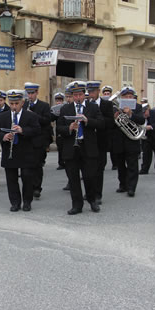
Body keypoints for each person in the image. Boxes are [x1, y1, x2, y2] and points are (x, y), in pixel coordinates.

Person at [57, 81, 104, 215]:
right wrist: (69, 128)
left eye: (80, 95)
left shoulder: (93, 107)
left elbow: (101, 123)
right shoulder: (66, 109)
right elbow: (59, 127)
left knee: (90, 177)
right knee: (73, 179)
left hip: (88, 147)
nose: (77, 98)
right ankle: (77, 205)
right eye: (75, 95)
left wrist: (87, 120)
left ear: (84, 95)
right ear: (72, 96)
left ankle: (92, 200)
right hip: (71, 148)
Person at [0, 89, 41, 212]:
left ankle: (27, 201)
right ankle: (15, 202)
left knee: (27, 178)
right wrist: (3, 137)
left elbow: (37, 131)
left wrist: (22, 131)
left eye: (16, 103)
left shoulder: (31, 116)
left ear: (22, 103)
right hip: (9, 152)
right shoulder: (2, 116)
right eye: (11, 104)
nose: (14, 106)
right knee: (11, 179)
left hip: (26, 152)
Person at [112, 86, 145, 197]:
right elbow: (110, 125)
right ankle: (123, 185)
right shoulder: (115, 108)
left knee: (132, 166)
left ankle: (131, 188)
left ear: (134, 98)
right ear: (121, 97)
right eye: (125, 96)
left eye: (130, 96)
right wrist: (114, 117)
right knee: (120, 165)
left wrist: (131, 114)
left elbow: (142, 120)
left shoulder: (138, 107)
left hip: (132, 141)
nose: (127, 98)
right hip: (119, 141)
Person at [86, 81, 114, 205]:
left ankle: (97, 194)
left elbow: (110, 122)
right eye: (89, 92)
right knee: (88, 169)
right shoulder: (85, 104)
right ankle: (89, 192)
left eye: (93, 91)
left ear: (98, 91)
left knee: (99, 169)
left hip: (101, 141)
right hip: (88, 141)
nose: (91, 94)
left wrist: (98, 119)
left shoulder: (107, 104)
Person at [23, 82, 51, 200]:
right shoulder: (23, 105)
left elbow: (47, 121)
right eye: (28, 93)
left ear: (37, 93)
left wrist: (33, 115)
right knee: (27, 166)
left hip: (39, 141)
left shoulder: (44, 106)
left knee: (37, 166)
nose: (30, 96)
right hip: (27, 140)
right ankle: (28, 187)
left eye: (32, 93)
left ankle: (37, 188)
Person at [51, 92, 65, 170]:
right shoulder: (54, 109)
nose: (59, 102)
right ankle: (61, 163)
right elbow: (51, 119)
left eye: (60, 100)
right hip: (59, 130)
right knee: (60, 146)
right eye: (57, 100)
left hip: (65, 128)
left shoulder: (66, 107)